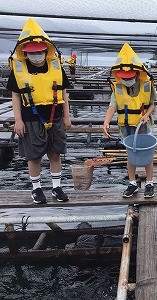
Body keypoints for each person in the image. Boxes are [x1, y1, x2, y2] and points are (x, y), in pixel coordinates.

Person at [6, 18, 71, 204]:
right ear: (25, 52)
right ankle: (36, 189)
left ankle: (57, 187)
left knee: (55, 153)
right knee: (33, 155)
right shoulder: (18, 70)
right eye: (32, 53)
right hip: (30, 118)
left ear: (46, 50)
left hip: (55, 114)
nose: (37, 55)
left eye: (40, 51)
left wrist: (67, 116)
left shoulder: (56, 67)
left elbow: (64, 93)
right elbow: (16, 96)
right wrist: (17, 120)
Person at [102, 43, 156, 198]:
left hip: (144, 126)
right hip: (126, 128)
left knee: (147, 155)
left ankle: (150, 183)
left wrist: (146, 115)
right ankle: (132, 183)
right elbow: (112, 107)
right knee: (131, 155)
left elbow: (152, 104)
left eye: (130, 78)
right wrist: (106, 121)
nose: (127, 81)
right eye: (123, 78)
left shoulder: (147, 85)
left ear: (137, 74)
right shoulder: (117, 88)